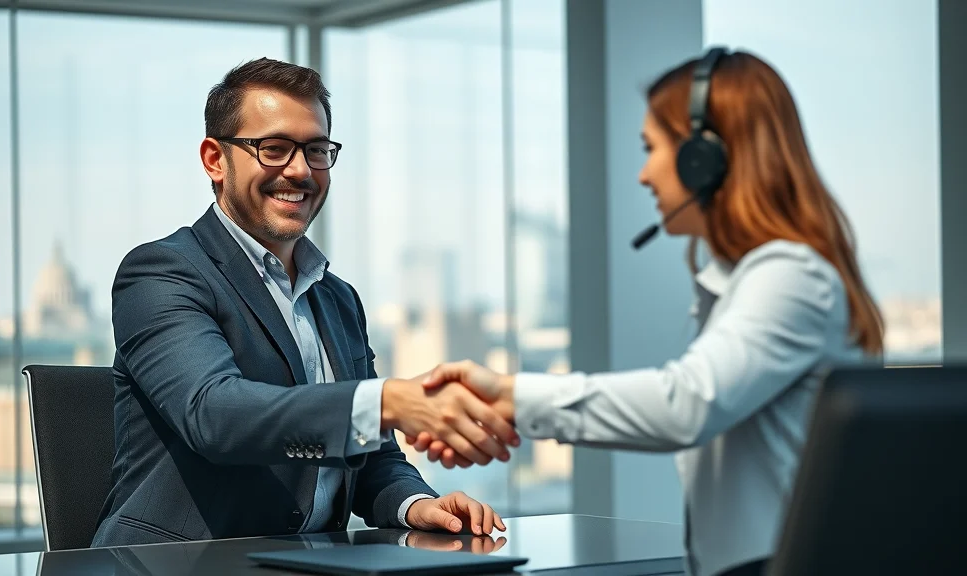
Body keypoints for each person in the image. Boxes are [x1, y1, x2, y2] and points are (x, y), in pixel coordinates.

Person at [407, 48, 885, 576]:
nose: (643, 175)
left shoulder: (790, 275)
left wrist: (511, 396)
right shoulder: (743, 281)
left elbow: (683, 405)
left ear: (704, 160)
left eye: (652, 148)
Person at [93, 58, 519, 547]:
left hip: (311, 561)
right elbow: (215, 415)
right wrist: (386, 402)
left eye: (316, 150)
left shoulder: (337, 299)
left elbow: (371, 454)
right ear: (215, 159)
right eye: (273, 149)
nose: (299, 170)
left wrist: (416, 504)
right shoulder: (163, 272)